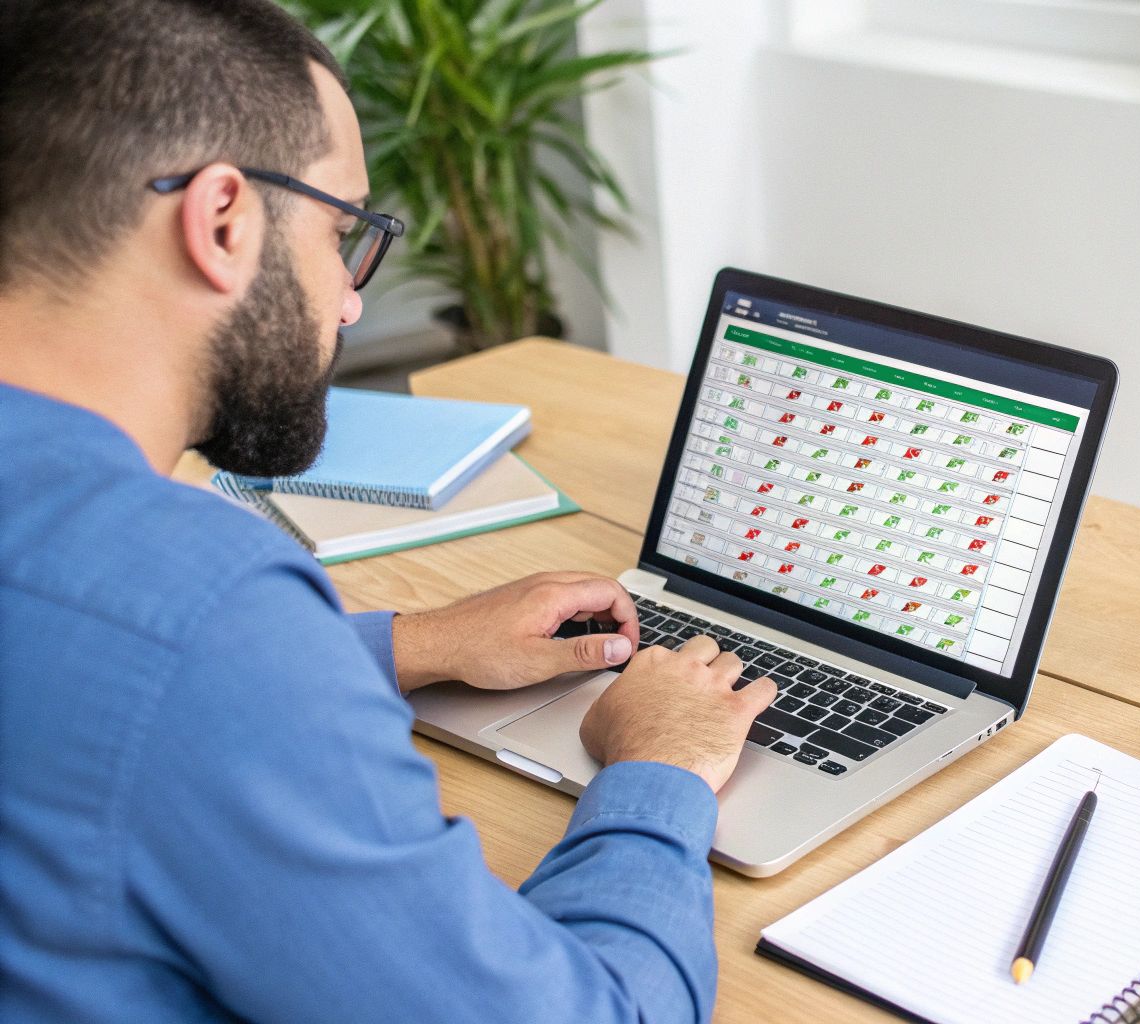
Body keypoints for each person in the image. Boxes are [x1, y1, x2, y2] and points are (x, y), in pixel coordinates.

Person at [0, 1, 779, 1020]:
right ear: (223, 219)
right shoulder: (204, 614)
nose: (352, 299)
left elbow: (90, 672)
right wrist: (662, 769)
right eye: (340, 231)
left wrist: (407, 643)